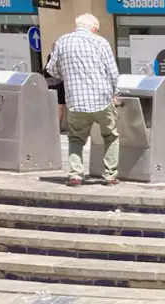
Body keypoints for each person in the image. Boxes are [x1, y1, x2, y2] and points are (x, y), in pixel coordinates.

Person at [47, 14, 121, 187]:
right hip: (102, 99)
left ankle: (75, 175)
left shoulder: (62, 41)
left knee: (75, 139)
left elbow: (51, 69)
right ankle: (110, 176)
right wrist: (115, 93)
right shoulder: (100, 42)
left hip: (76, 100)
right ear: (93, 28)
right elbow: (112, 72)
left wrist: (69, 76)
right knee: (110, 136)